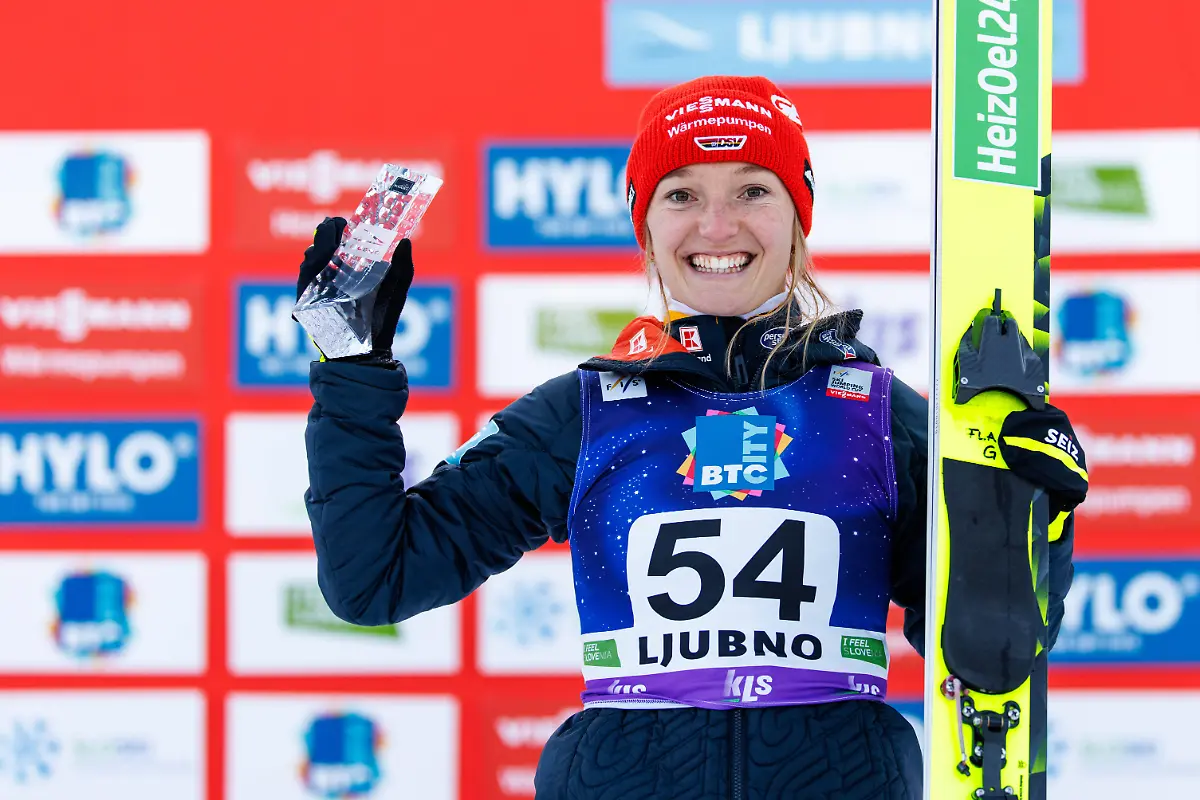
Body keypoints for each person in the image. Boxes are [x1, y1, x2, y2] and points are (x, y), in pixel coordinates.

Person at [299, 76, 1088, 800]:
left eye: (752, 189)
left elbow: (993, 645)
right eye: (682, 195)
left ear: (797, 216)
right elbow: (377, 579)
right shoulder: (586, 411)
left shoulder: (877, 414)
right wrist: (351, 370)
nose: (718, 225)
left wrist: (1026, 508)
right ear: (646, 224)